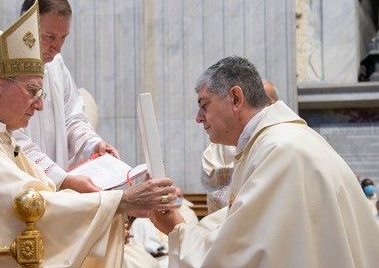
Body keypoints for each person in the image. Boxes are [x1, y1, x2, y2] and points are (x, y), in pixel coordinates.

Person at [0, 2, 178, 268]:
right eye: (33, 91)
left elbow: (41, 189)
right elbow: (25, 204)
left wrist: (116, 212)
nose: (40, 104)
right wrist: (120, 203)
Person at [150, 56, 379, 267]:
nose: (198, 117)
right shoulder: (275, 143)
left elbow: (242, 253)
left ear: (236, 98)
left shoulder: (280, 150)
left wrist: (178, 231)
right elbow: (239, 217)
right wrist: (183, 227)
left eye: (204, 104)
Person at [0, 0, 116, 193]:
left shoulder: (57, 66)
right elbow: (5, 135)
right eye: (49, 37)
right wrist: (60, 179)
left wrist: (93, 144)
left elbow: (73, 119)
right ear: (27, 26)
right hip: (9, 186)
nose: (57, 47)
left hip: (54, 187)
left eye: (63, 38)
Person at [201, 80, 278, 213]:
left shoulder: (281, 139)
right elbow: (220, 194)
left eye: (267, 103)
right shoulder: (219, 146)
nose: (263, 108)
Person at [130, 187, 197, 268]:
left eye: (179, 196)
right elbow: (136, 249)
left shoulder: (187, 214)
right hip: (150, 262)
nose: (176, 199)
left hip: (175, 259)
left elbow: (191, 241)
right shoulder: (140, 222)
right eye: (173, 196)